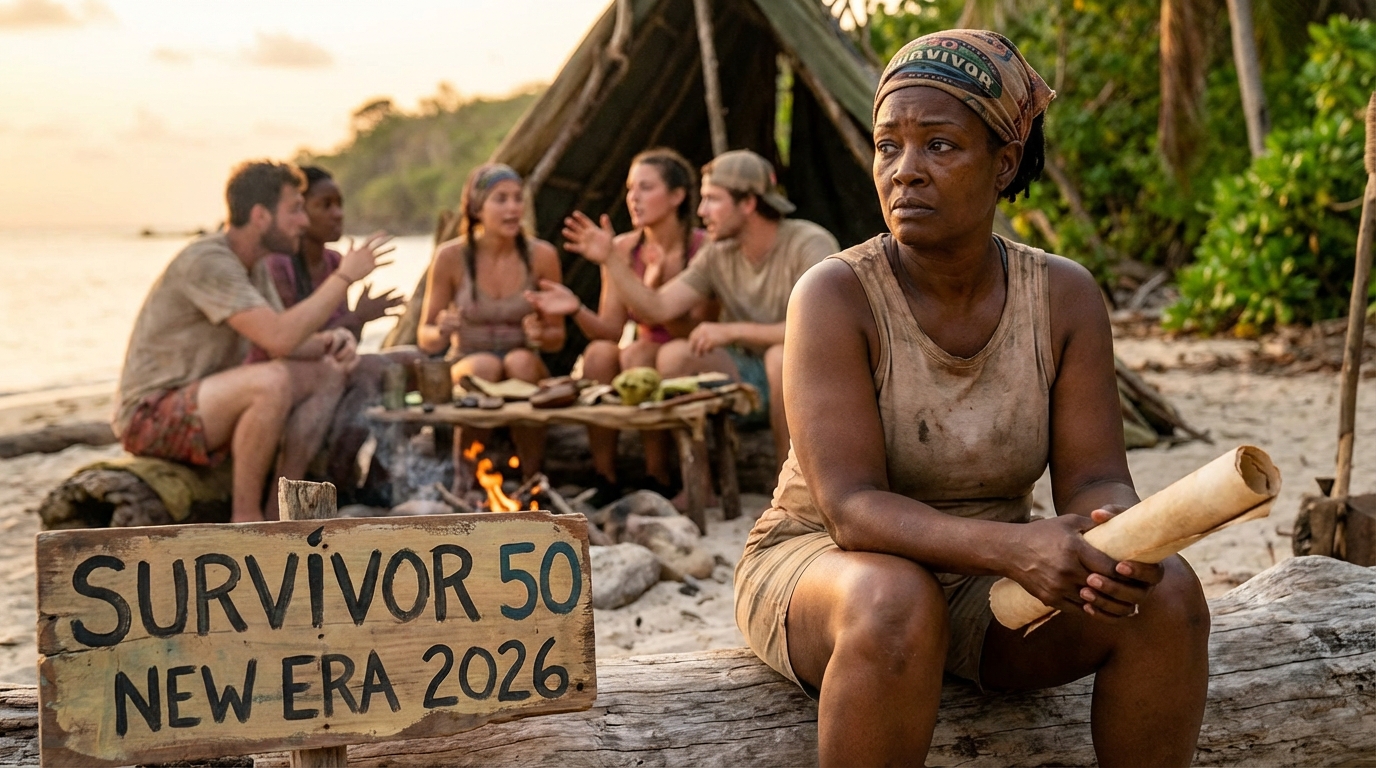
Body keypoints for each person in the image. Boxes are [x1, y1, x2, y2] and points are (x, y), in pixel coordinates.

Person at [734, 31, 1210, 767]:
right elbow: (850, 507)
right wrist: (1016, 547)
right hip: (829, 566)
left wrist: (1112, 533)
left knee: (1167, 593)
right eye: (887, 146)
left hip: (989, 583)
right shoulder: (835, 295)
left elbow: (1096, 479)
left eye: (940, 146)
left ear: (1004, 163)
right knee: (896, 602)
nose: (905, 172)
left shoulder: (1063, 296)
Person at [114, 160, 393, 523]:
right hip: (149, 415)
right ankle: (245, 519)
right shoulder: (209, 261)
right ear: (261, 215)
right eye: (294, 209)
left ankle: (279, 509)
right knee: (270, 382)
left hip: (204, 404)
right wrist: (344, 276)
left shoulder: (254, 264)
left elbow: (288, 340)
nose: (303, 221)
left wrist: (331, 342)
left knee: (328, 373)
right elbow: (277, 339)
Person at [532, 149, 836, 472]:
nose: (702, 210)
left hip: (813, 375)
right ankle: (698, 482)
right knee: (676, 354)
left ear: (748, 203)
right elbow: (658, 306)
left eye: (712, 199)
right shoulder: (718, 255)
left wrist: (731, 331)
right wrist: (610, 259)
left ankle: (786, 481)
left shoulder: (808, 243)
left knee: (779, 357)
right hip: (748, 371)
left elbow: (819, 330)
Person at [529, 148, 714, 499]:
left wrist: (654, 289)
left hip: (686, 350)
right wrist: (576, 308)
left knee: (640, 353)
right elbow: (611, 330)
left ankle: (657, 473)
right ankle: (605, 476)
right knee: (599, 354)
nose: (634, 198)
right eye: (631, 189)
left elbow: (700, 330)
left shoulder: (704, 250)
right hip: (640, 353)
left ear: (677, 196)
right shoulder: (621, 248)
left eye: (646, 188)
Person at [249, 166, 419, 501]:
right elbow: (290, 339)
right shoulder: (278, 265)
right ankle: (338, 479)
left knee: (413, 359)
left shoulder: (332, 261)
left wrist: (360, 319)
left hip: (331, 364)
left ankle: (381, 477)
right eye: (324, 205)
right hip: (293, 371)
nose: (337, 214)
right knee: (369, 372)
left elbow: (342, 340)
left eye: (339, 204)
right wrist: (358, 315)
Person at [418, 163, 565, 476]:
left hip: (521, 363)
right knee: (485, 367)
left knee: (521, 363)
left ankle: (533, 478)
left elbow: (557, 338)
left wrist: (540, 334)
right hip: (468, 360)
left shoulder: (542, 256)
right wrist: (443, 330)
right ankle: (465, 480)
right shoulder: (451, 257)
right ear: (476, 208)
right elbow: (425, 336)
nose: (513, 208)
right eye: (501, 199)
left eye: (517, 198)